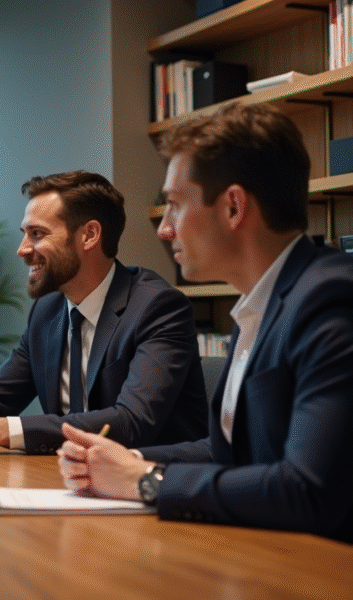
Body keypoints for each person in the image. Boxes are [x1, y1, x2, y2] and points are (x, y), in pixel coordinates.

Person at [58, 103, 353, 542]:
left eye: (175, 205)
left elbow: (307, 490)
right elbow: (230, 451)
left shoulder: (330, 301)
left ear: (233, 207)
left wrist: (145, 481)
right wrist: (123, 458)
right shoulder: (264, 302)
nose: (164, 229)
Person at [0, 170, 207, 453]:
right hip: (68, 479)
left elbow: (132, 422)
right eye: (25, 235)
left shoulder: (157, 308)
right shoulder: (47, 312)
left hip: (152, 486)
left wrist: (1, 430)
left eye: (37, 234)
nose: (22, 250)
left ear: (89, 235)